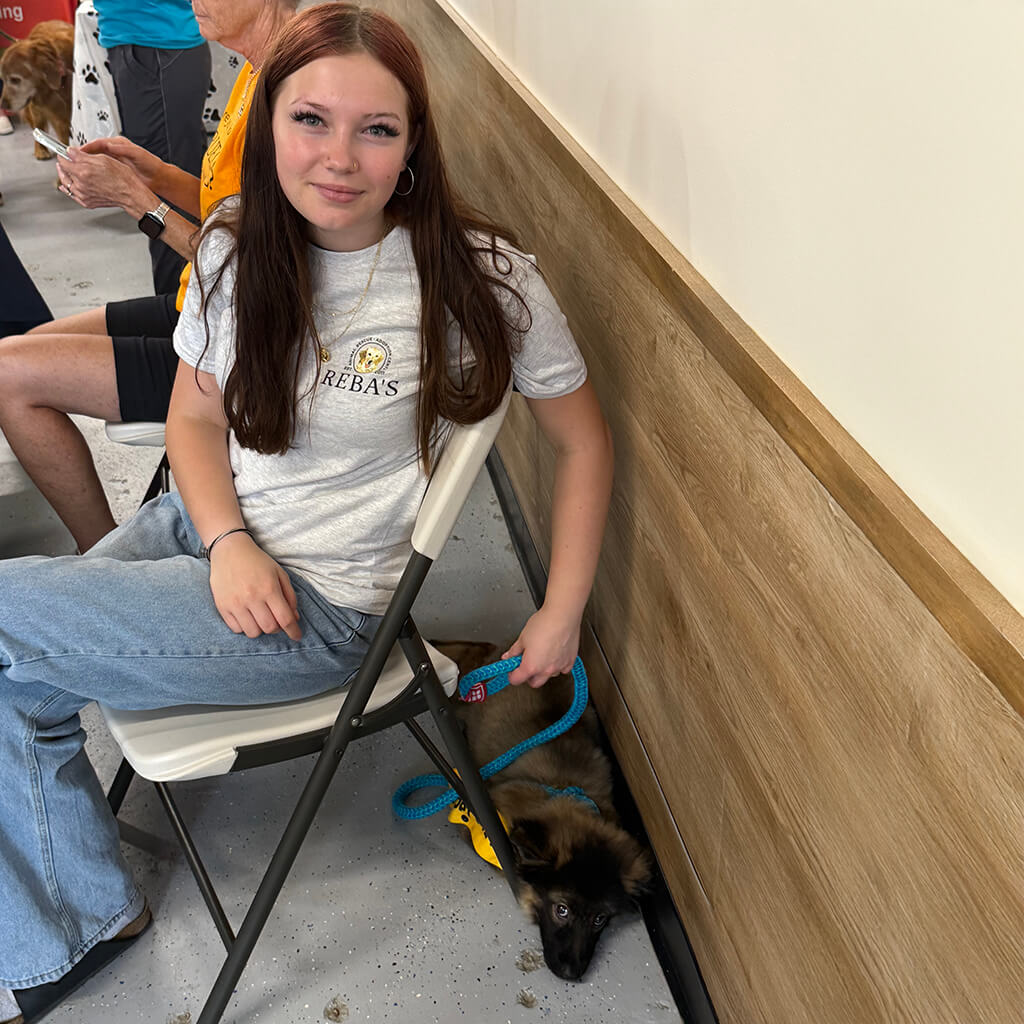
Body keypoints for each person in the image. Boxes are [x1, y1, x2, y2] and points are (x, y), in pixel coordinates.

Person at [0, 3, 612, 1020]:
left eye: (376, 129)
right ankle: (72, 916)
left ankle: (63, 921)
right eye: (310, 121)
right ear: (267, 119)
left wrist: (562, 610)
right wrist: (230, 538)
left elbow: (581, 438)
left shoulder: (483, 279)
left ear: (413, 145)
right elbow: (196, 415)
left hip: (321, 611)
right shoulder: (239, 244)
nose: (339, 157)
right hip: (219, 538)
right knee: (16, 656)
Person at [0, 0, 300, 554]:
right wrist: (153, 171)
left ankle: (102, 556)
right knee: (21, 348)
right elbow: (226, 208)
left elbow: (256, 274)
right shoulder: (256, 71)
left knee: (6, 375)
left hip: (237, 344)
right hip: (202, 308)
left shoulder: (294, 95)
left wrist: (141, 203)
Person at [93, 0, 211, 295]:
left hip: (156, 42)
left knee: (165, 197)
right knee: (171, 185)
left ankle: (177, 315)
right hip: (148, 40)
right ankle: (183, 310)